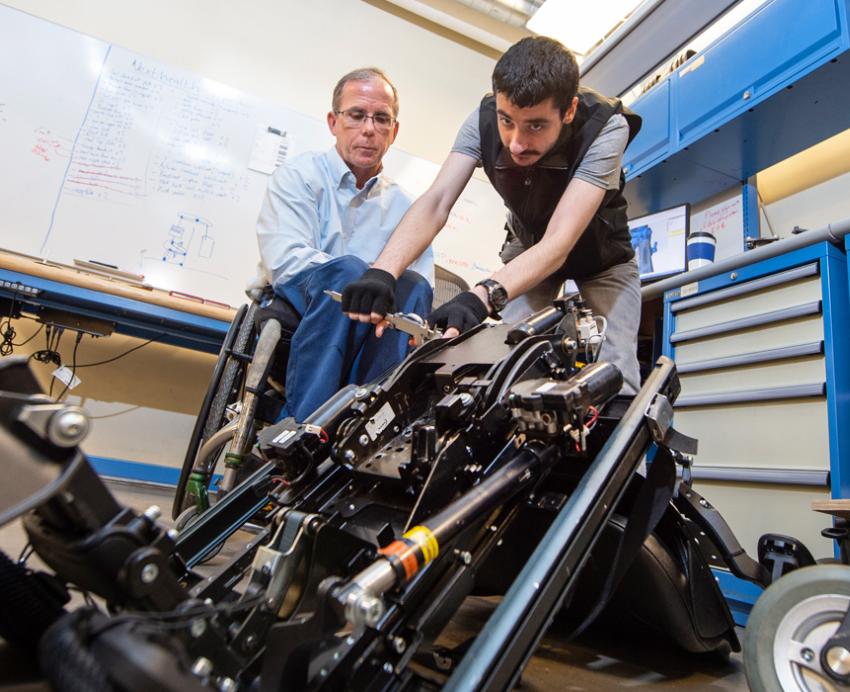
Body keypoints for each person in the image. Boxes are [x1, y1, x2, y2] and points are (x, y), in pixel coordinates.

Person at [341, 37, 643, 394]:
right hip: (528, 248)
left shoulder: (606, 127)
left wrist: (482, 296)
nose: (516, 142)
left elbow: (560, 241)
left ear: (569, 110)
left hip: (603, 258)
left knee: (617, 369)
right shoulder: (481, 120)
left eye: (535, 125)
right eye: (507, 120)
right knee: (510, 362)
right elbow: (437, 201)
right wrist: (382, 271)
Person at [254, 67, 434, 421]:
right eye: (356, 115)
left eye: (381, 119)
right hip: (301, 305)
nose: (369, 128)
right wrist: (362, 282)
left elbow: (418, 284)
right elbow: (285, 261)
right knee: (349, 272)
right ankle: (309, 428)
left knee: (413, 287)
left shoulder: (406, 208)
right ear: (333, 122)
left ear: (393, 131)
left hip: (377, 323)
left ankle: (372, 426)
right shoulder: (299, 177)